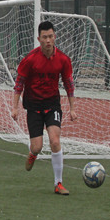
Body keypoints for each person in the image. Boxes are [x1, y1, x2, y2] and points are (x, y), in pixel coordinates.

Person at [11, 20, 77, 195]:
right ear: (38, 39)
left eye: (50, 36)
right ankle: (32, 153)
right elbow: (19, 83)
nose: (48, 40)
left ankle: (58, 183)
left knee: (55, 141)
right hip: (33, 106)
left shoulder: (63, 59)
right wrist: (15, 107)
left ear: (55, 37)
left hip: (52, 104)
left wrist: (72, 108)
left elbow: (69, 84)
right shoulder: (30, 60)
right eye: (44, 37)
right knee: (37, 147)